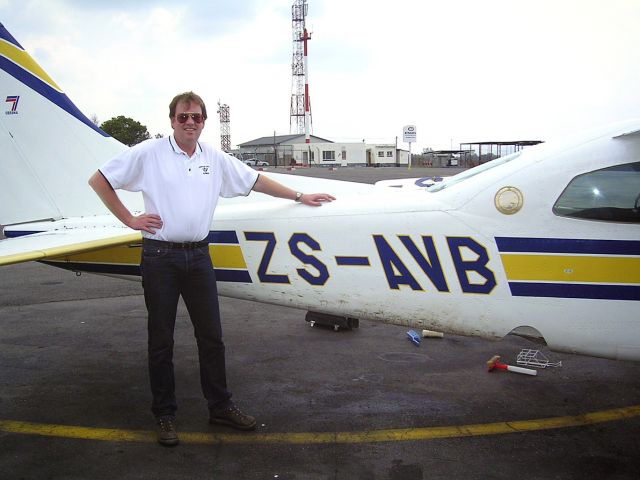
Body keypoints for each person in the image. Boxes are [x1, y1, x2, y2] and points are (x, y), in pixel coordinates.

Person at [89, 91, 335, 447]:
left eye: (197, 117)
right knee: (161, 340)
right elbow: (99, 180)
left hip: (199, 257)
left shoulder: (214, 158)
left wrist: (299, 196)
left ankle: (220, 406)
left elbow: (255, 180)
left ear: (204, 122)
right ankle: (165, 414)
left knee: (212, 337)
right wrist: (129, 218)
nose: (190, 122)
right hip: (160, 258)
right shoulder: (149, 152)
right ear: (172, 120)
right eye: (183, 117)